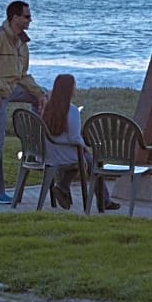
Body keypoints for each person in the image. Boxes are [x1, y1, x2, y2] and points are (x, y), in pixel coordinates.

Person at [0, 0, 47, 204]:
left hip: (11, 88)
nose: (30, 20)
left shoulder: (22, 43)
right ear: (15, 17)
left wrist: (39, 94)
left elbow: (22, 75)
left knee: (44, 97)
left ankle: (36, 145)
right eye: (27, 16)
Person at [42, 74, 120, 211]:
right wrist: (84, 147)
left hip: (50, 153)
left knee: (83, 160)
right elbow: (74, 138)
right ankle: (104, 201)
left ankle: (63, 187)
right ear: (69, 89)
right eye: (74, 85)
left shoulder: (48, 107)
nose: (76, 88)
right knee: (91, 162)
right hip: (66, 154)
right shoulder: (71, 111)